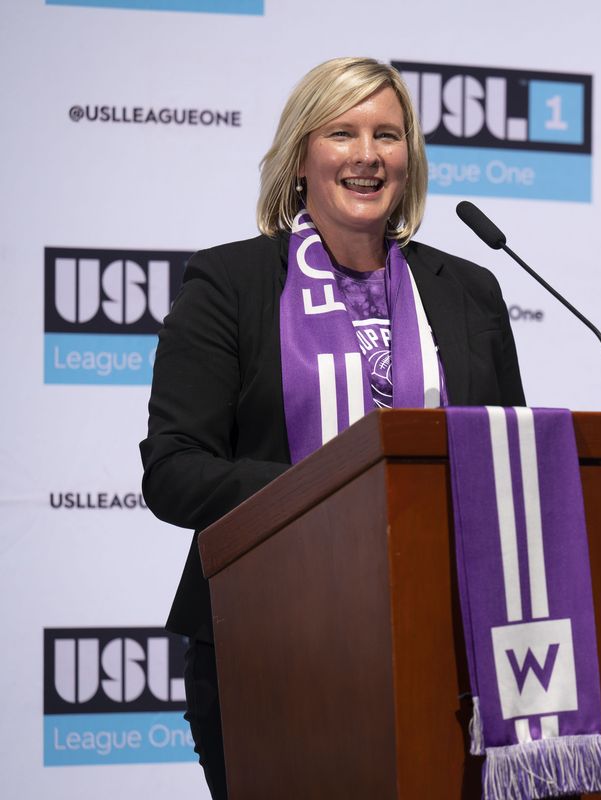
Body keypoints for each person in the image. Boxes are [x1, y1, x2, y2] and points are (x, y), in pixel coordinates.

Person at [140, 57, 525, 799]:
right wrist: (336, 491)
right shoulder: (231, 286)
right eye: (342, 133)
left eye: (388, 134)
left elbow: (503, 456)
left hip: (444, 644)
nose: (367, 155)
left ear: (409, 159)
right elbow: (174, 471)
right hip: (271, 642)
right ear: (300, 157)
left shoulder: (469, 291)